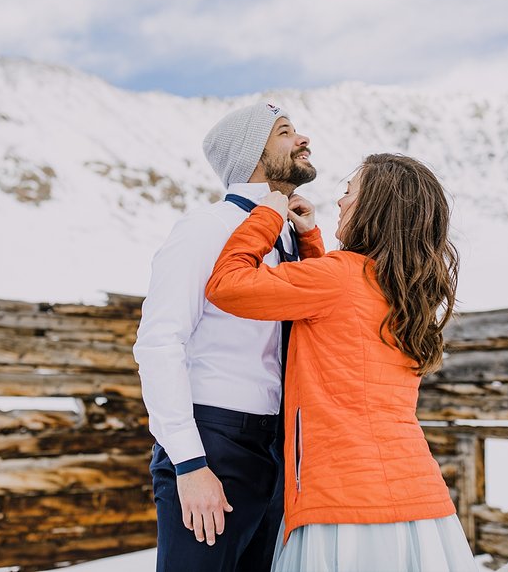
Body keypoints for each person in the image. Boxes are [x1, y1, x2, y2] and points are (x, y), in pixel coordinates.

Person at [205, 153, 479, 571]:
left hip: (345, 507)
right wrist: (312, 239)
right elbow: (330, 312)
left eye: (349, 192)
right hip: (418, 503)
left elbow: (227, 285)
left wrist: (265, 217)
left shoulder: (340, 277)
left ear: (373, 206)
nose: (339, 202)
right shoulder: (401, 287)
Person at [133, 102, 322, 572]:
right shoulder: (205, 229)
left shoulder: (291, 238)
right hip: (213, 442)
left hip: (275, 451)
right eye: (285, 131)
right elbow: (159, 343)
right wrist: (190, 464)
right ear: (253, 152)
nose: (303, 139)